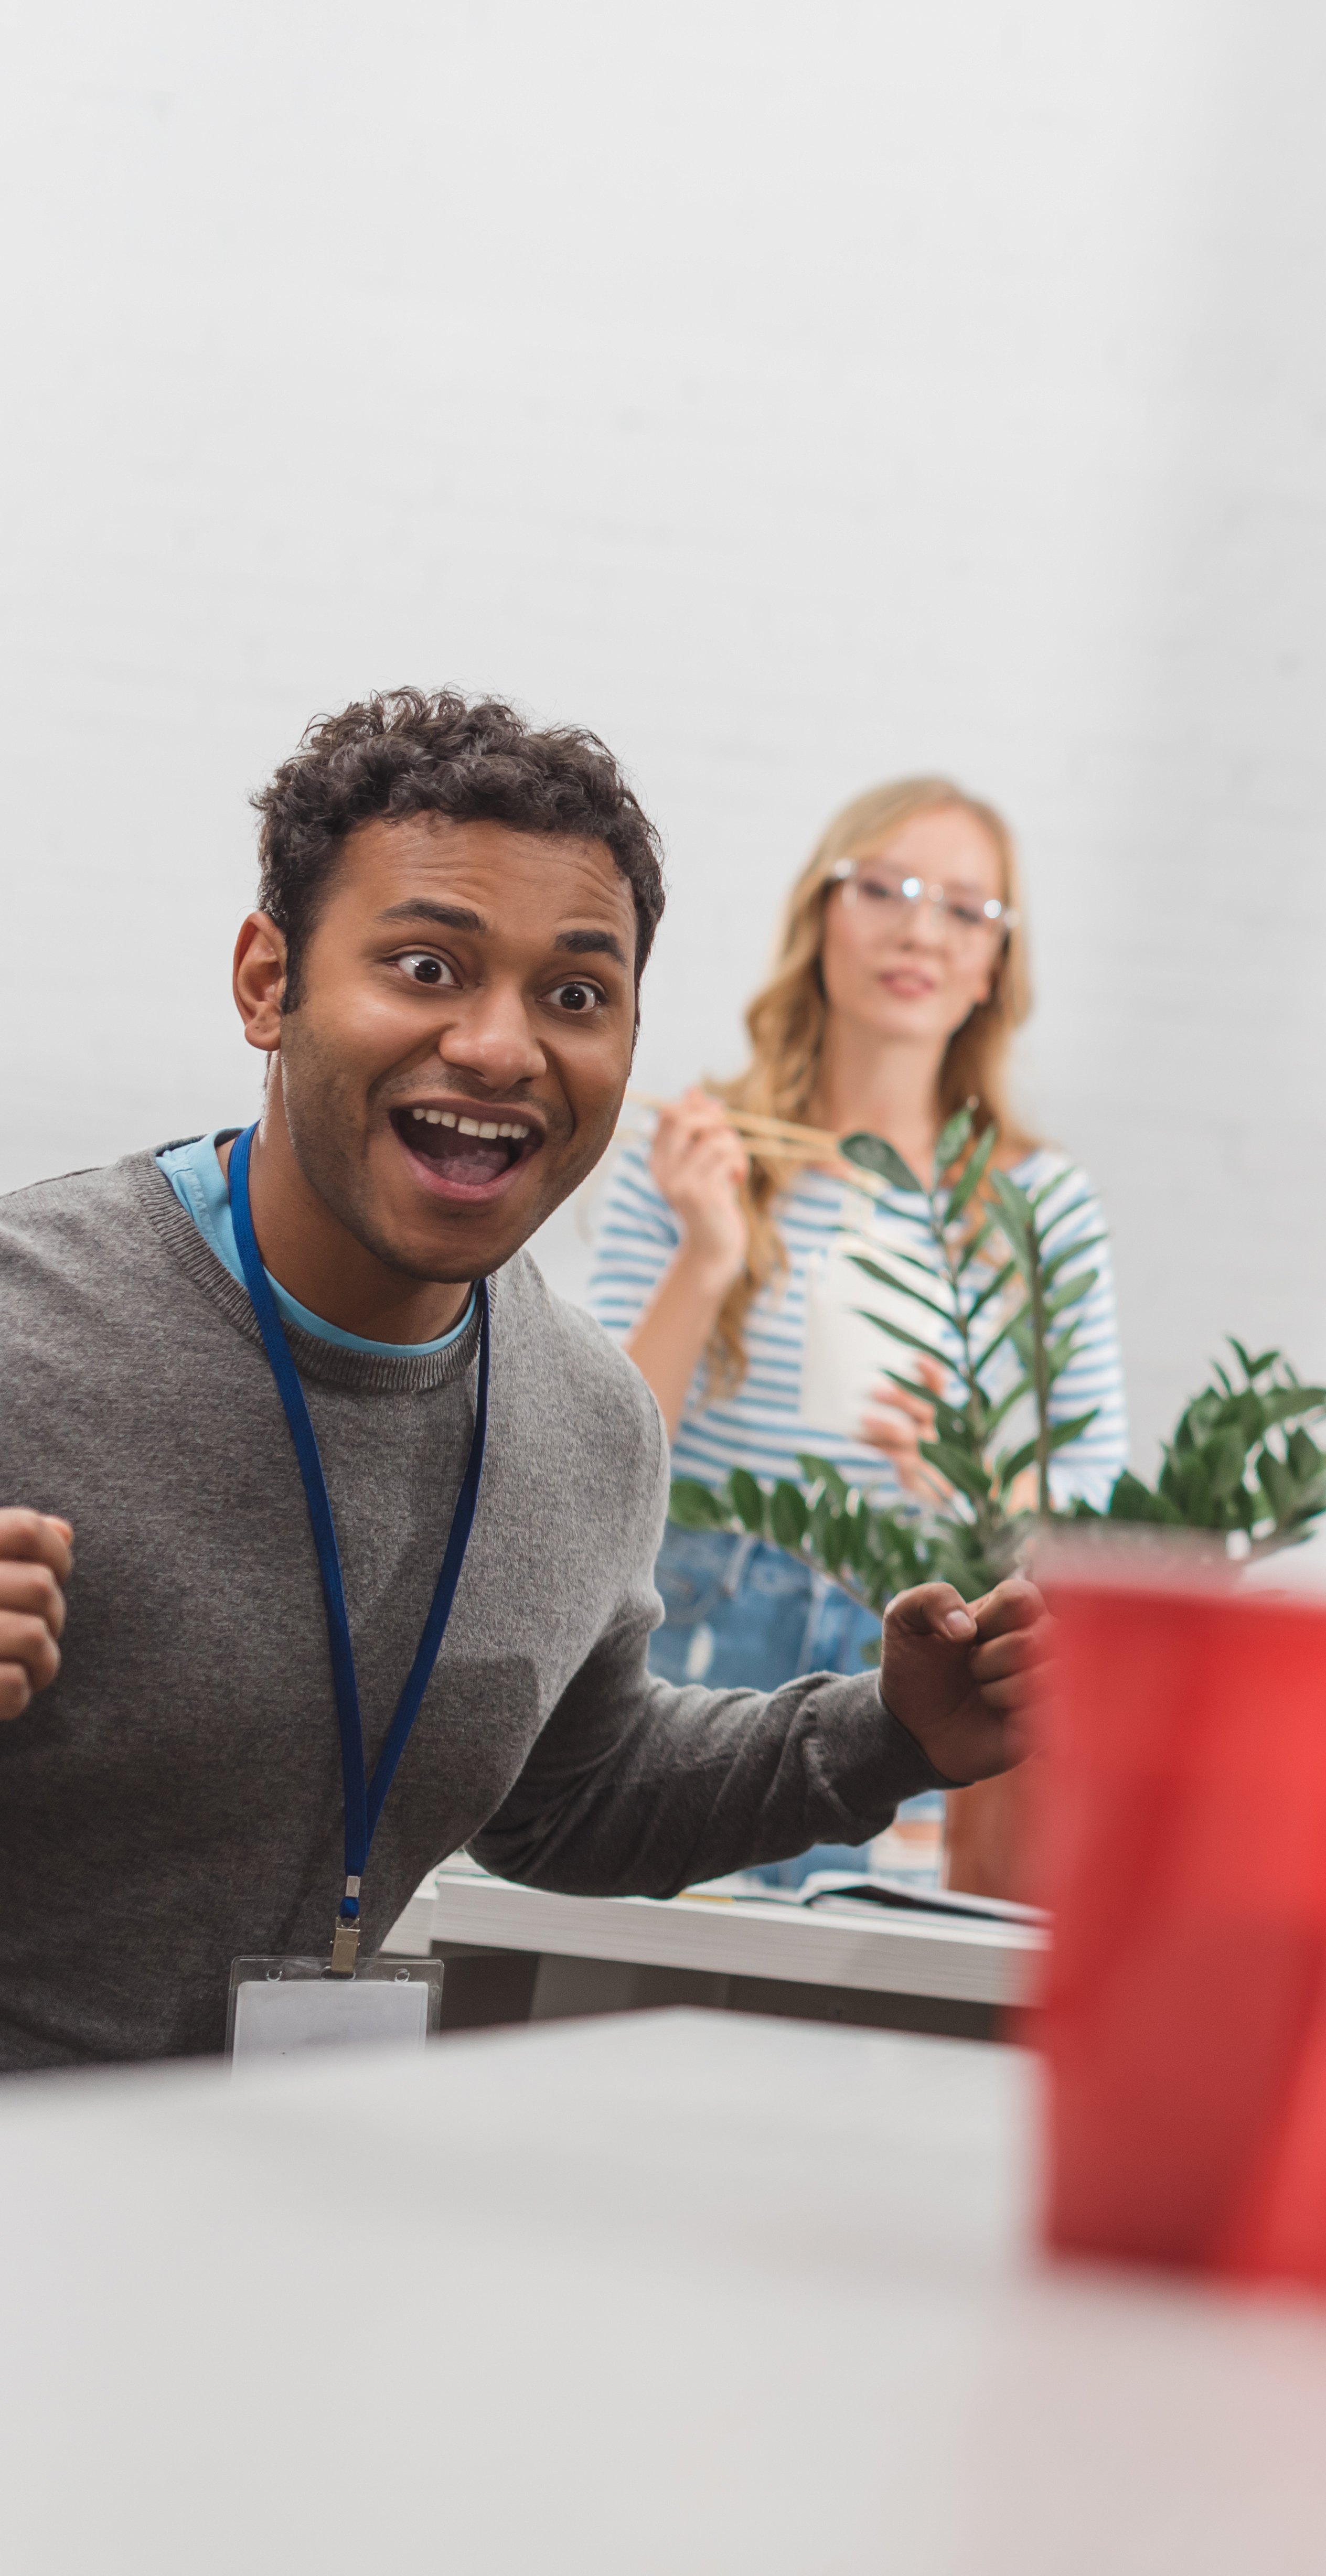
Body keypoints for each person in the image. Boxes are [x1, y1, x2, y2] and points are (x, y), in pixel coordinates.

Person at [0, 691, 1043, 2068]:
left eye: (574, 994)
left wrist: (892, 1732)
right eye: (426, 967)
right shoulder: (27, 1320)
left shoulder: (590, 1420)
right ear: (269, 981)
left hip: (274, 2222)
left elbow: (579, 1793)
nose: (501, 1047)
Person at [582, 781, 1122, 1890]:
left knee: (860, 1997)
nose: (921, 928)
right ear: (822, 913)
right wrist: (709, 1255)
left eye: (967, 910)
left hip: (911, 1660)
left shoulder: (1039, 1204)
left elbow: (1091, 1510)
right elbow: (599, 1454)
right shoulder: (697, 1151)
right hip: (693, 1646)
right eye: (887, 889)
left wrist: (976, 1482)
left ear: (994, 964)